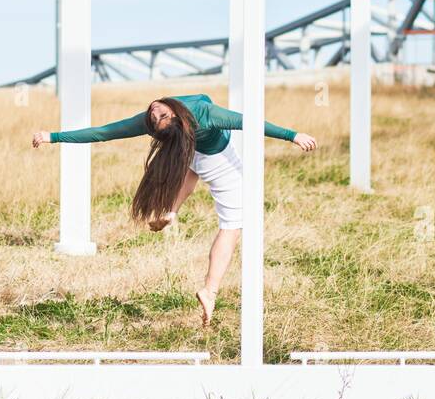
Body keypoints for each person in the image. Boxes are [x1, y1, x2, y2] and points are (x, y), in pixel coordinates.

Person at [33, 93, 316, 326]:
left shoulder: (178, 116)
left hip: (199, 156)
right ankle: (209, 290)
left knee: (206, 192)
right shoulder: (196, 115)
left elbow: (104, 132)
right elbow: (250, 123)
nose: (155, 113)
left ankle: (173, 217)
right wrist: (293, 135)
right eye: (157, 119)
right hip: (207, 156)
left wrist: (52, 136)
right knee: (231, 225)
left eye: (159, 116)